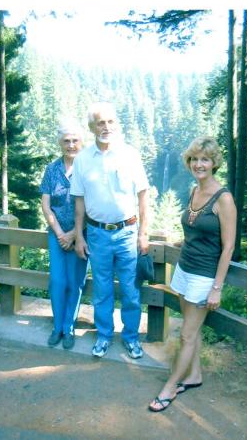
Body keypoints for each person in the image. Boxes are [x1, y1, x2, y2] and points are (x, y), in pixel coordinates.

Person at [149, 136, 237, 412]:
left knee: (186, 335)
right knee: (192, 328)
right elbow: (195, 226)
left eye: (205, 159)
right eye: (194, 159)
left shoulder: (223, 199)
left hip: (204, 277)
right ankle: (194, 375)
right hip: (185, 267)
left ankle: (170, 387)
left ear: (214, 163)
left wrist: (217, 287)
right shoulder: (193, 190)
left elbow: (229, 246)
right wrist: (184, 242)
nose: (199, 164)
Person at [70, 102, 149, 359]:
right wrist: (79, 235)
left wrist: (143, 233)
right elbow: (79, 201)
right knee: (102, 289)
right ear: (92, 127)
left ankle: (131, 338)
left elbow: (143, 195)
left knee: (130, 289)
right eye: (100, 123)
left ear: (117, 125)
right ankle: (104, 336)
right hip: (96, 234)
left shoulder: (130, 154)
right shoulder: (82, 159)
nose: (106, 127)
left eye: (110, 122)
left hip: (127, 232)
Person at [40, 119, 89, 350]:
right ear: (60, 143)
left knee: (75, 283)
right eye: (66, 141)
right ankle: (57, 327)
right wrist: (60, 233)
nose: (71, 145)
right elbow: (46, 205)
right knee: (57, 281)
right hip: (57, 236)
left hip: (81, 235)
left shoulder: (88, 168)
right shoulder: (52, 169)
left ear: (82, 142)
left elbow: (94, 205)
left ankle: (69, 328)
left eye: (75, 140)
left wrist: (73, 234)